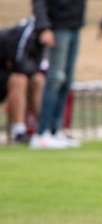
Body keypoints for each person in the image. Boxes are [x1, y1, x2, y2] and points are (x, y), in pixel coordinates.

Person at [30, 0, 86, 149]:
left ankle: (55, 130)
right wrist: (44, 27)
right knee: (55, 78)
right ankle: (43, 132)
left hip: (74, 25)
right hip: (57, 26)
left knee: (67, 81)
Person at [0, 16, 45, 144]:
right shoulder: (27, 31)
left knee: (38, 79)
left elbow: (36, 66)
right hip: (5, 74)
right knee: (19, 79)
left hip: (8, 75)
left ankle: (44, 128)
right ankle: (19, 130)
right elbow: (18, 63)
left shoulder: (41, 39)